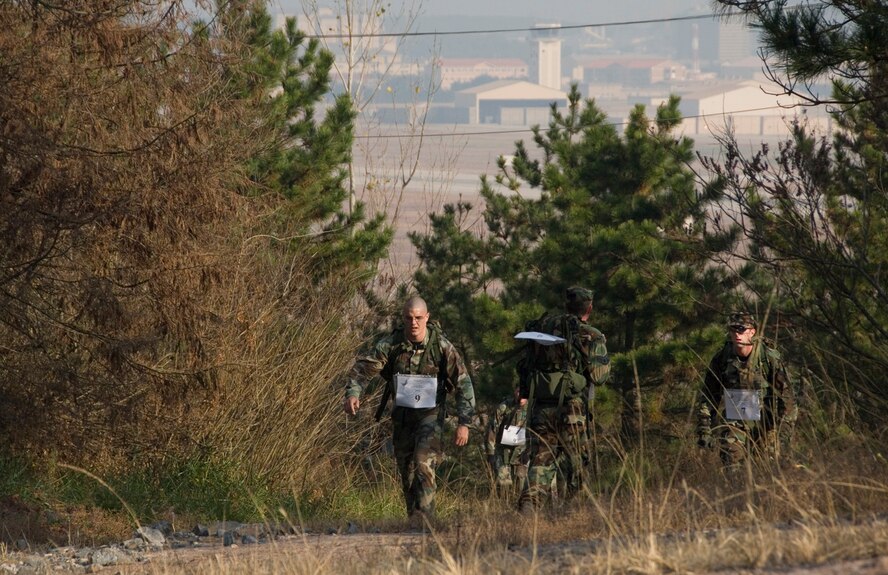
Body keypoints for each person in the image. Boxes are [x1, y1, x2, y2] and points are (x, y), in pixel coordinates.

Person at [343, 296, 476, 520]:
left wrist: (465, 423)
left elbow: (463, 383)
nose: (413, 323)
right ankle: (414, 519)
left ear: (427, 317)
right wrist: (353, 394)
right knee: (406, 471)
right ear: (403, 318)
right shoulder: (391, 344)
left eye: (418, 318)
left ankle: (426, 519)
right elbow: (363, 369)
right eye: (408, 318)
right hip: (402, 415)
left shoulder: (441, 346)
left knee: (423, 462)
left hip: (430, 414)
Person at [517, 286, 610, 511]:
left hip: (541, 407)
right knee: (577, 462)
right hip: (572, 409)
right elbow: (599, 377)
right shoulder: (591, 334)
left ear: (566, 305)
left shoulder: (543, 329)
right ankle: (574, 511)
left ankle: (529, 507)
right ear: (589, 308)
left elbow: (524, 367)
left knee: (540, 459)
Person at [696, 312, 796, 469]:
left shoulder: (769, 358)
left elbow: (787, 399)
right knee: (731, 461)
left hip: (768, 423)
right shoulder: (722, 358)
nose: (737, 334)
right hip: (736, 422)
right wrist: (704, 429)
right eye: (733, 329)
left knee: (771, 467)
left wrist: (783, 433)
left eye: (741, 329)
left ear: (752, 332)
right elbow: (709, 396)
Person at [484, 387, 528, 492]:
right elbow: (492, 430)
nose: (521, 395)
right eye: (519, 391)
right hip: (503, 452)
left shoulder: (533, 409)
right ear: (514, 392)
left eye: (524, 392)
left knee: (522, 486)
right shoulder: (504, 407)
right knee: (503, 485)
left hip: (523, 454)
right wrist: (490, 453)